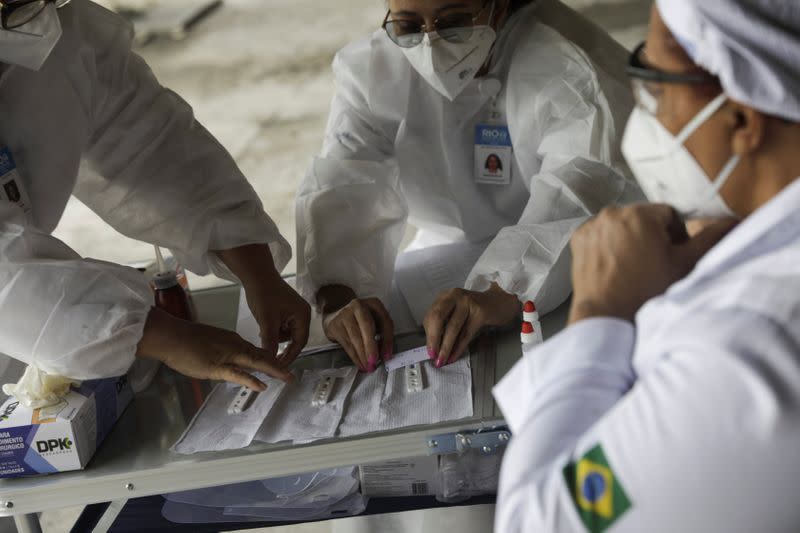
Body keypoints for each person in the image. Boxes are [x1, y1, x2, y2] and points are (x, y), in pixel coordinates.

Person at [494, 1, 800, 531]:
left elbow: (541, 520)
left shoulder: (747, 354)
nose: (646, 117)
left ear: (744, 118)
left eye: (654, 88)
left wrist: (600, 313)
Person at [295, 0, 641, 373]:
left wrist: (500, 290)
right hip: (443, 255)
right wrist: (337, 297)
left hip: (555, 263)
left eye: (455, 21)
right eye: (408, 26)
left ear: (499, 5)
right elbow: (344, 184)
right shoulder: (371, 72)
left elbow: (580, 192)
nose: (431, 45)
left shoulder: (572, 70)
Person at [0, 0, 311, 396]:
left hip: (48, 334)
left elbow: (152, 147)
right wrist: (168, 338)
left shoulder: (47, 26)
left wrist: (258, 272)